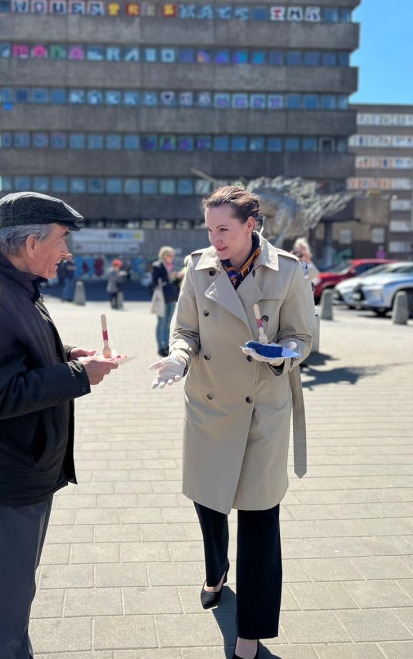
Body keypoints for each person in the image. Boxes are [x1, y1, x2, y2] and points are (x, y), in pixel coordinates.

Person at [0, 191, 119, 659]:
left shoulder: (13, 285)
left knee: (13, 595)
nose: (67, 253)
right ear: (30, 244)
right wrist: (79, 376)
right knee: (2, 605)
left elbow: (20, 357)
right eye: (62, 240)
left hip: (23, 467)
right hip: (9, 474)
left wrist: (68, 355)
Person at [151, 186, 316, 659]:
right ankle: (216, 571)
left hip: (262, 408)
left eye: (224, 229)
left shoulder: (288, 270)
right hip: (209, 404)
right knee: (209, 502)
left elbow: (303, 337)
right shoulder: (197, 266)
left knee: (261, 520)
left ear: (251, 225)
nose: (215, 239)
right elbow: (185, 329)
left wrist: (281, 353)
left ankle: (250, 634)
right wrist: (178, 358)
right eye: (210, 230)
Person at [151, 246, 183, 357]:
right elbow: (155, 282)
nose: (172, 257)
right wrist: (168, 276)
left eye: (173, 256)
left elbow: (173, 283)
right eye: (169, 255)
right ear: (164, 255)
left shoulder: (172, 267)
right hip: (162, 298)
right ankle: (161, 347)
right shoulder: (157, 266)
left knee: (169, 323)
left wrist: (178, 277)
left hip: (172, 297)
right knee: (161, 323)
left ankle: (167, 346)